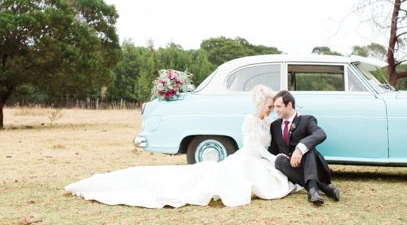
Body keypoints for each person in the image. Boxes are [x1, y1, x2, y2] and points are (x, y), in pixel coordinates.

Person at [65, 85, 301, 208]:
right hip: (247, 160)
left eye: (274, 106)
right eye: (271, 106)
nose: (273, 109)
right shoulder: (249, 121)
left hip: (258, 162)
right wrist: (274, 159)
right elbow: (257, 149)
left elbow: (272, 141)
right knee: (206, 179)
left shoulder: (269, 122)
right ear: (262, 104)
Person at [269, 90, 340, 205]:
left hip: (310, 166)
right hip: (290, 169)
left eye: (278, 106)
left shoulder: (306, 120)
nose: (275, 110)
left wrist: (300, 148)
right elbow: (273, 150)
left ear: (289, 105)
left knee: (308, 149)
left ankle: (313, 189)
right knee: (279, 160)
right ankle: (322, 189)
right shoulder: (274, 125)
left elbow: (320, 134)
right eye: (274, 107)